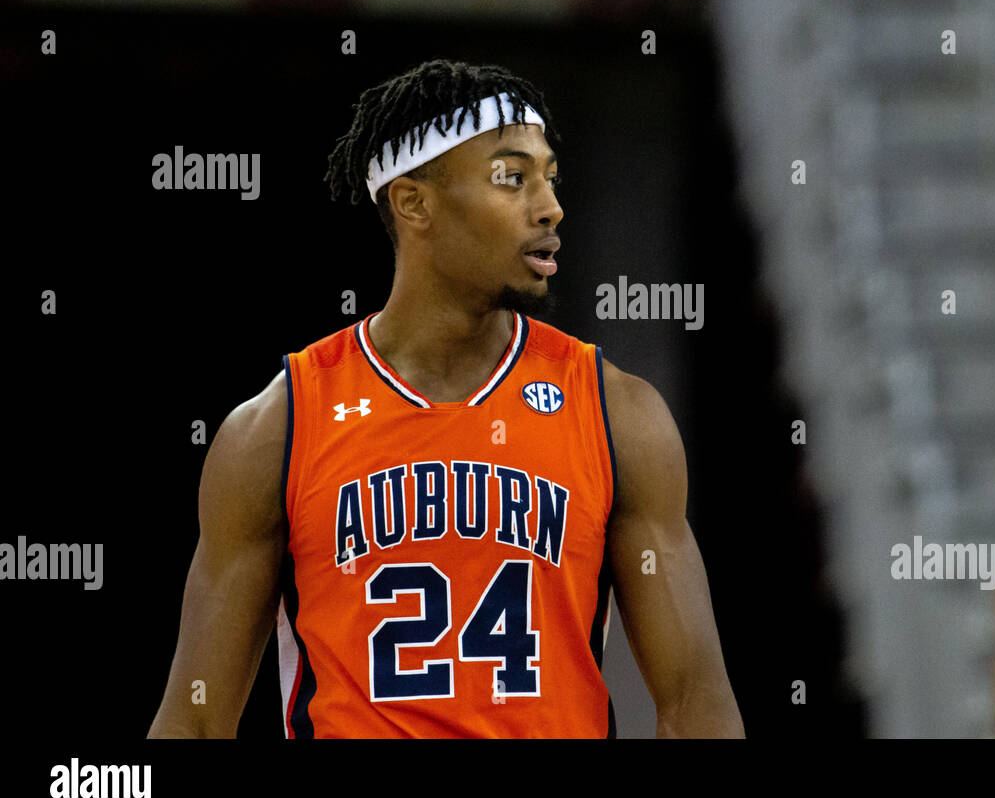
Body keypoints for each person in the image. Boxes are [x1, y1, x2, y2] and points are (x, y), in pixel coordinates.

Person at [147, 58, 743, 738]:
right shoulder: (279, 426)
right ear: (414, 203)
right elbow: (194, 720)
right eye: (511, 178)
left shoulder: (617, 413)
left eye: (549, 177)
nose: (549, 206)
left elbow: (699, 706)